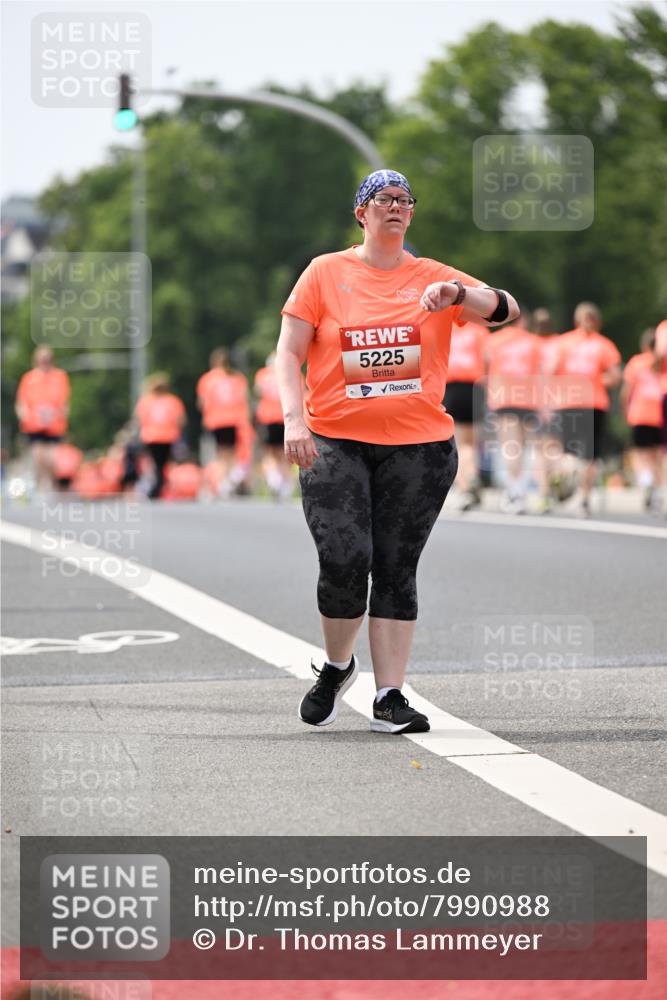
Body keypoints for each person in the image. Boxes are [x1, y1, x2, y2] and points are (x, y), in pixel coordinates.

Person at [276, 169, 519, 735]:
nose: (396, 207)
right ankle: (337, 668)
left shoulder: (432, 276)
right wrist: (294, 419)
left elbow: (506, 311)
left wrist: (459, 294)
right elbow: (287, 354)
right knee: (343, 559)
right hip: (334, 440)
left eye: (405, 201)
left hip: (419, 448)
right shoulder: (324, 273)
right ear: (360, 212)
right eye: (383, 199)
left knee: (394, 568)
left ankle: (390, 696)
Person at [550, 302, 622, 517]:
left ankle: (569, 473)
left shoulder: (563, 342)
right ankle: (584, 500)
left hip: (569, 401)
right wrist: (596, 380)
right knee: (591, 454)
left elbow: (552, 370)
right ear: (597, 322)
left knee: (567, 450)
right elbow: (616, 377)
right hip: (594, 402)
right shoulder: (604, 345)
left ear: (576, 320)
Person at [485, 308, 543, 514]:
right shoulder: (533, 342)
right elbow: (542, 372)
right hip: (528, 399)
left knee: (510, 446)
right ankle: (520, 491)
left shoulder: (494, 340)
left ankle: (514, 491)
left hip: (503, 398)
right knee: (526, 447)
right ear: (524, 320)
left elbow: (484, 368)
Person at [442, 319, 488, 510]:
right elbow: (487, 359)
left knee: (459, 444)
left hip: (451, 386)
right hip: (474, 387)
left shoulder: (446, 327)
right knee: (471, 442)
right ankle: (473, 474)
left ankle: (465, 485)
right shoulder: (479, 331)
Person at [621, 328, 667, 513]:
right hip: (660, 415)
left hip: (640, 414)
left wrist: (626, 411)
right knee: (657, 456)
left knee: (641, 455)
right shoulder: (663, 363)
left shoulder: (636, 362)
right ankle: (657, 492)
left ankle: (646, 480)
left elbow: (626, 391)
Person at [15, 346, 70, 493]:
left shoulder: (60, 376)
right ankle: (40, 484)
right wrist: (25, 416)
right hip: (34, 425)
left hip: (54, 425)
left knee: (52, 458)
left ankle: (52, 483)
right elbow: (22, 403)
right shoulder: (29, 378)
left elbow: (64, 402)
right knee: (38, 456)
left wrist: (59, 414)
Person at [197, 348, 250, 498]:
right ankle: (230, 479)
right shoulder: (237, 378)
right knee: (231, 452)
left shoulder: (208, 379)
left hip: (216, 420)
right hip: (233, 419)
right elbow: (244, 399)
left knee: (220, 453)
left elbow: (203, 403)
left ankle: (223, 483)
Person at [134, 372, 186, 499]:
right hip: (167, 436)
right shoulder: (173, 401)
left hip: (151, 436)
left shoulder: (146, 401)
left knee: (156, 463)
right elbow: (181, 420)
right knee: (162, 463)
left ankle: (157, 485)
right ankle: (158, 485)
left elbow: (139, 420)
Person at [254, 351, 294, 499]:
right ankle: (285, 484)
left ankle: (275, 480)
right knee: (284, 454)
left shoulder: (262, 374)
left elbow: (258, 392)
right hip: (286, 416)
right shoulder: (290, 371)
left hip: (268, 417)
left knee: (269, 452)